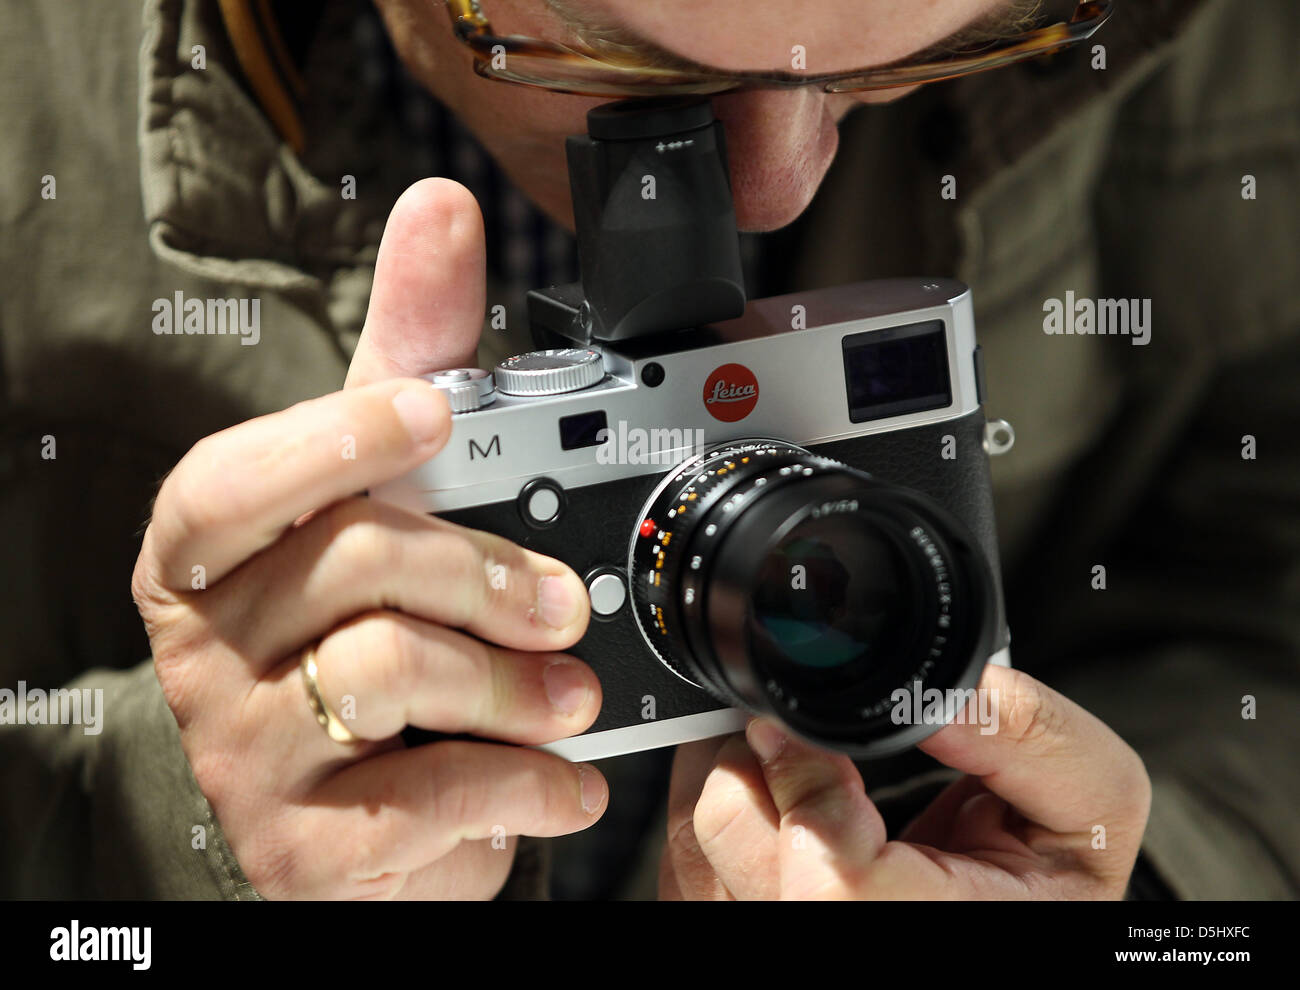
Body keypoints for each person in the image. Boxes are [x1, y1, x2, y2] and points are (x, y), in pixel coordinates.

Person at [1, 0, 1295, 900]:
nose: (777, 187)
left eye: (922, 60)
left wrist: (1145, 886)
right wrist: (161, 830)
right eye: (619, 65)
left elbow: (1256, 587)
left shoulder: (1206, 40)